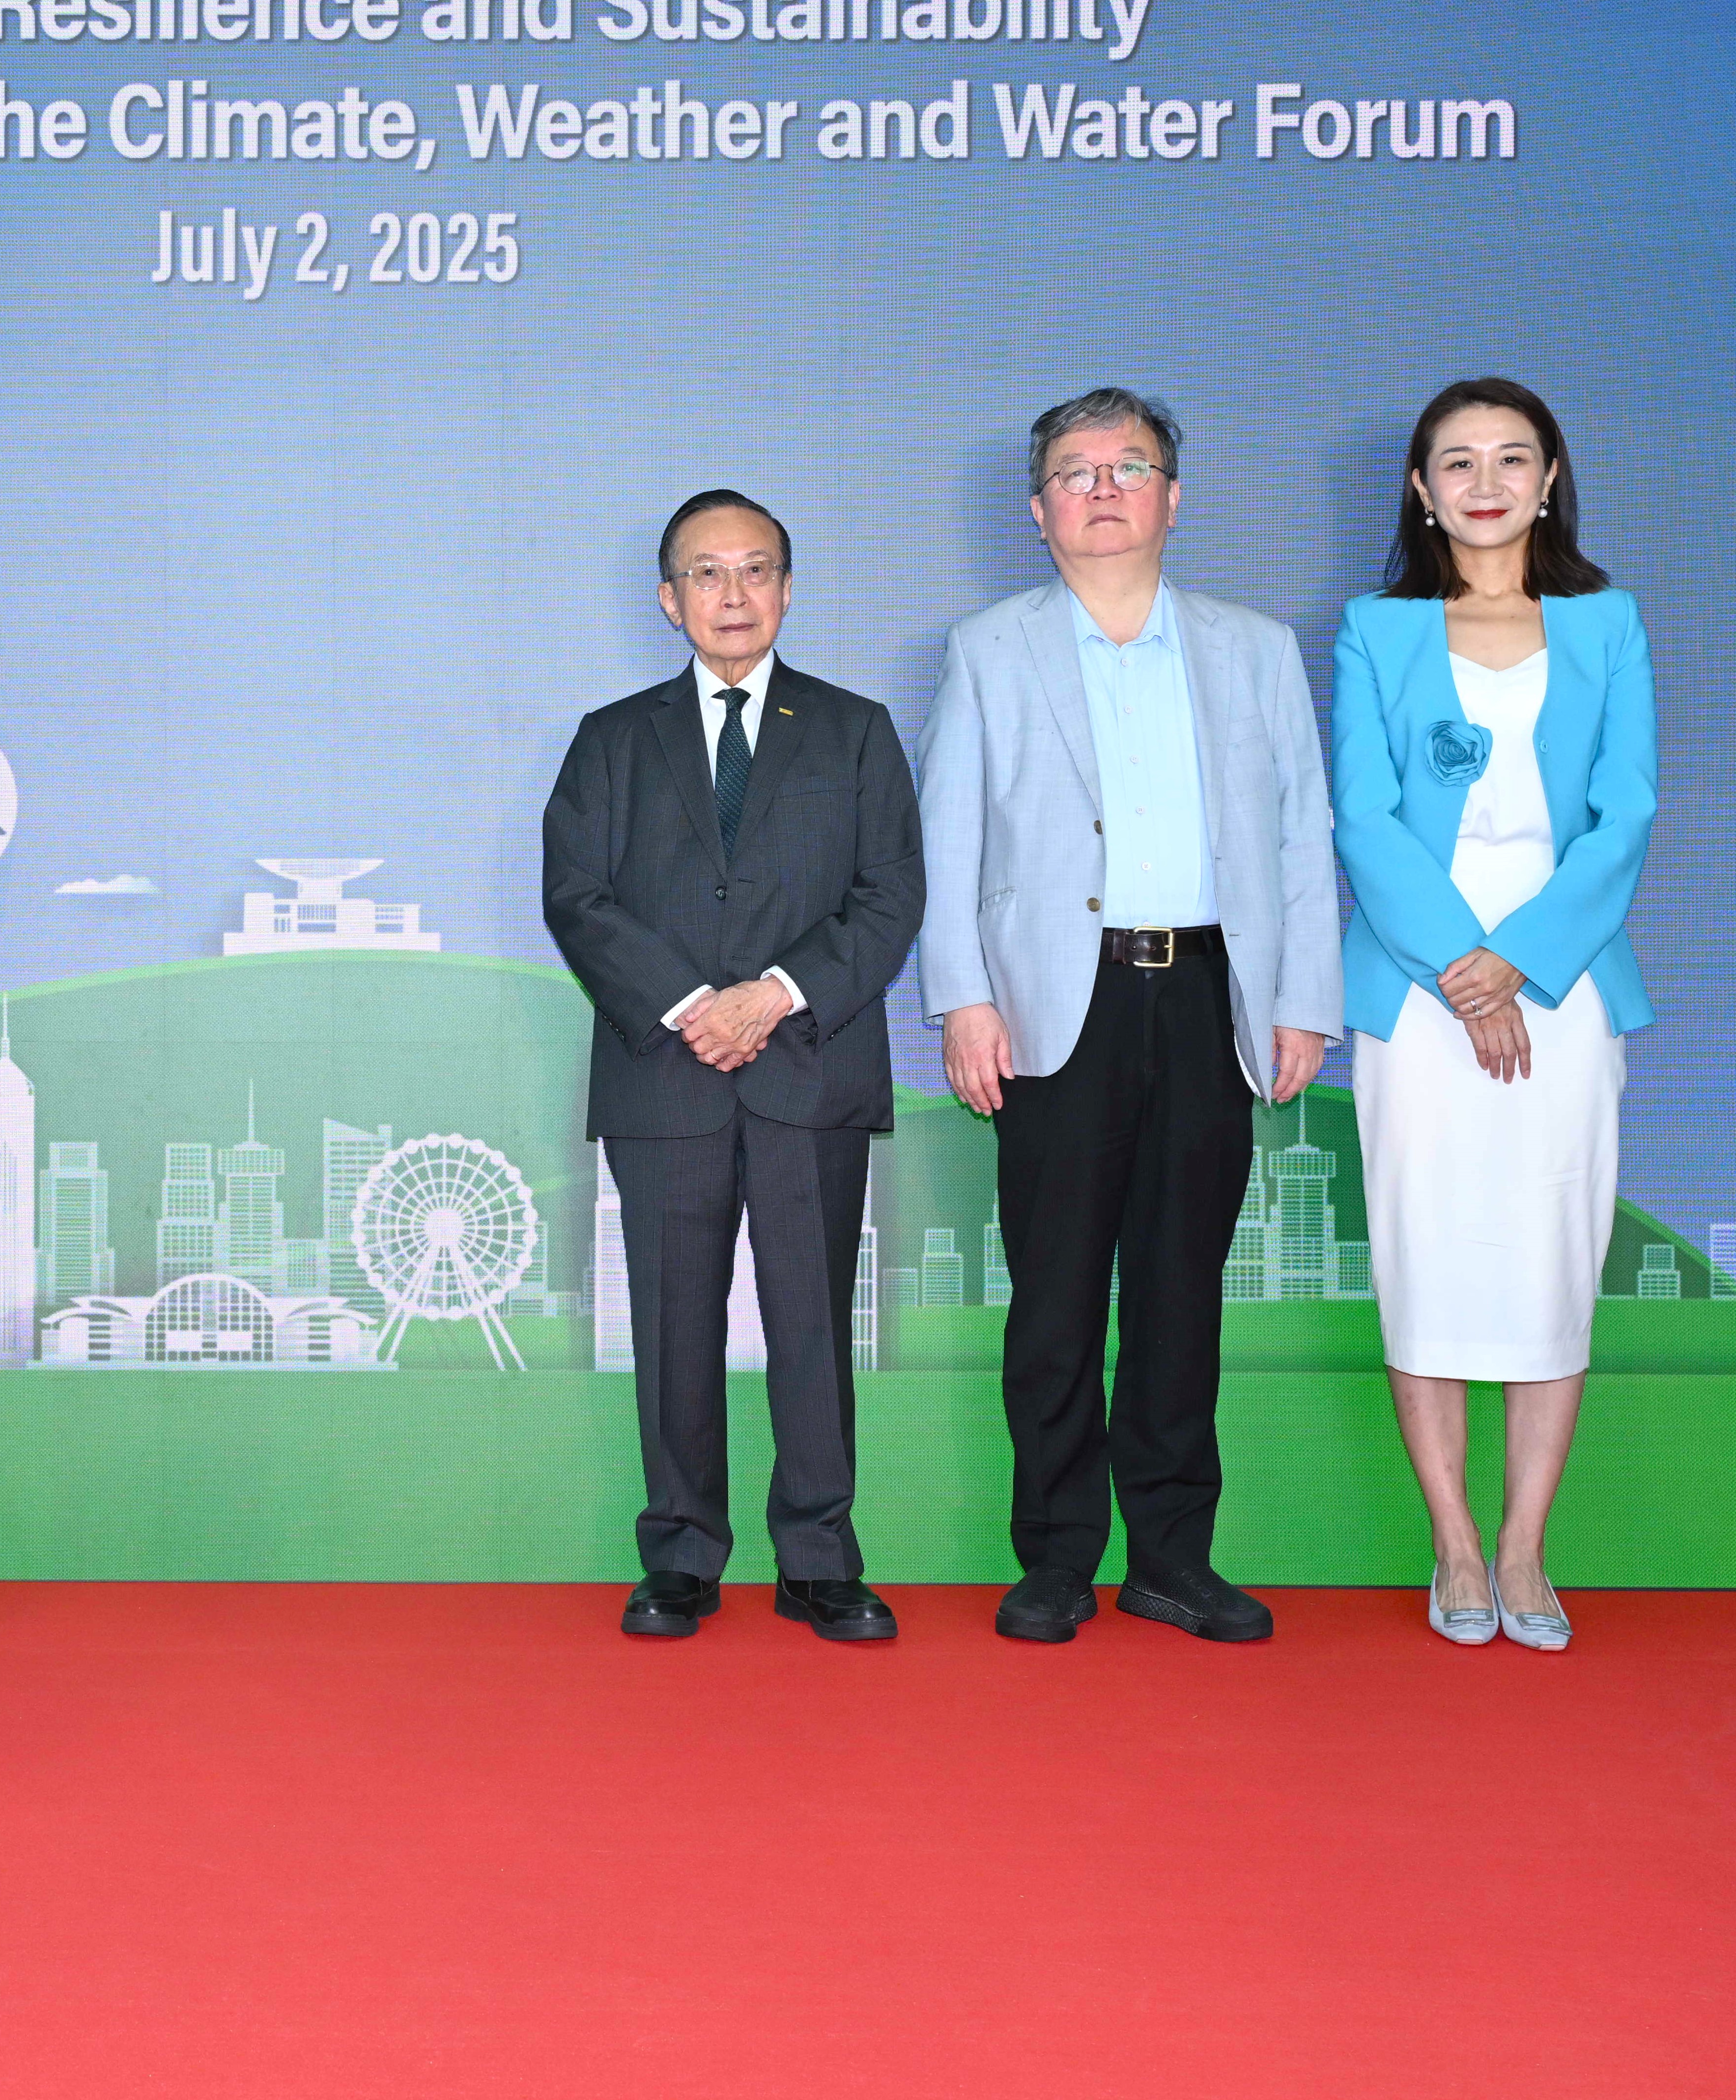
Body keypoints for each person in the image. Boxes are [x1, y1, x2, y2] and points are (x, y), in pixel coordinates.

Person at [918, 389, 1341, 1645]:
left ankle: (1170, 1556)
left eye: (1129, 466)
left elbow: (1301, 835)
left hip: (1211, 994)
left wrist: (1301, 999)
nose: (1101, 488)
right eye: (1073, 471)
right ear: (1036, 511)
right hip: (1057, 1004)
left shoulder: (1254, 649)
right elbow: (946, 840)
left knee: (1177, 1292)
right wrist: (962, 996)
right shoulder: (988, 650)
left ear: (1172, 496)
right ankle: (1053, 1558)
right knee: (1053, 1295)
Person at [543, 490, 926, 1642]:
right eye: (705, 575)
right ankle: (679, 1557)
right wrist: (687, 1006)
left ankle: (818, 1558)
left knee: (809, 1322)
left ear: (787, 590)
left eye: (755, 570)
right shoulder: (612, 738)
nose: (731, 594)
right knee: (672, 1325)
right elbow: (577, 898)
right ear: (669, 600)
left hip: (808, 1063)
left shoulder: (854, 730)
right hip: (663, 1075)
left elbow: (888, 893)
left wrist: (774, 994)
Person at [1335, 379, 1653, 1653]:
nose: (1482, 481)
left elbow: (1622, 810)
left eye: (1508, 457)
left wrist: (1517, 962)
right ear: (1418, 486)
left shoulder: (1606, 622)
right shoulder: (1373, 628)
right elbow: (1360, 814)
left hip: (1564, 977)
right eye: (1453, 460)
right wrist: (1458, 962)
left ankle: (1524, 1547)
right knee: (1424, 1253)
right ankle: (1451, 1541)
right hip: (1414, 987)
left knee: (1545, 1256)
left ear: (1548, 475)